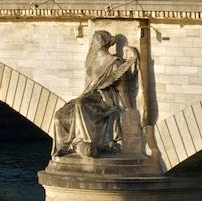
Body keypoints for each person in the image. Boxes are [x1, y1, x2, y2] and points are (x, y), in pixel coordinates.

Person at [52, 30, 139, 158]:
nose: (92, 44)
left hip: (104, 99)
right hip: (88, 96)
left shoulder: (114, 62)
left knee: (81, 104)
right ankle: (63, 147)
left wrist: (129, 109)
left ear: (102, 43)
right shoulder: (91, 62)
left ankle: (86, 142)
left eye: (95, 40)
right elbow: (87, 88)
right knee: (59, 115)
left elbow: (122, 88)